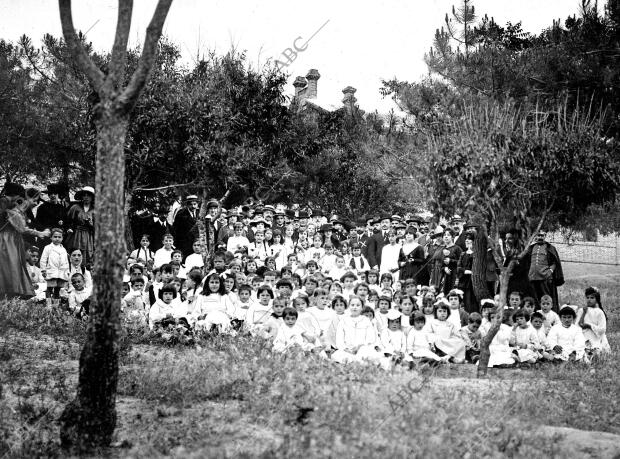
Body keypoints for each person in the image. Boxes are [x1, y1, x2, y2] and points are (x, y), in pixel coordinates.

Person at [0, 183, 51, 299]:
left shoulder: (15, 208)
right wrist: (39, 233)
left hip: (12, 240)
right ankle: (8, 294)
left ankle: (11, 296)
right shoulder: (7, 205)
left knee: (13, 266)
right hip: (6, 240)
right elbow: (21, 228)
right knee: (9, 266)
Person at [523, 230, 564, 312]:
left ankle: (549, 314)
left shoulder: (550, 248)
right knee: (534, 298)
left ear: (545, 236)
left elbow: (554, 262)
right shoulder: (531, 248)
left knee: (546, 298)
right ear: (535, 236)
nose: (540, 237)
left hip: (545, 277)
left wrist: (550, 272)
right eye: (538, 236)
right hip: (532, 277)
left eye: (542, 236)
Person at [65, 186, 95, 267]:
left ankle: (85, 271)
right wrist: (69, 228)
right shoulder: (75, 207)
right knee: (75, 251)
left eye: (88, 195)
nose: (86, 197)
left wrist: (91, 224)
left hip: (88, 236)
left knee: (87, 253)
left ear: (92, 197)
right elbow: (68, 220)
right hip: (76, 234)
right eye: (84, 195)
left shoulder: (94, 210)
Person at [576, 286, 610, 356]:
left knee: (596, 348)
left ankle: (593, 350)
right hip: (583, 334)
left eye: (592, 298)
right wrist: (584, 313)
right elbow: (578, 325)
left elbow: (602, 329)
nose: (589, 300)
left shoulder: (599, 312)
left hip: (595, 335)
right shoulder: (581, 310)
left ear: (596, 299)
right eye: (587, 297)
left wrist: (589, 326)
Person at [40, 228, 70, 305]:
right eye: (55, 236)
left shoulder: (63, 249)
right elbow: (43, 259)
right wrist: (43, 270)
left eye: (59, 237)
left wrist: (67, 272)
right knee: (49, 288)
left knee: (57, 289)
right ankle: (48, 305)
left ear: (62, 238)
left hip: (61, 273)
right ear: (51, 237)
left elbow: (66, 262)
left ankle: (55, 306)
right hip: (51, 271)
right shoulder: (48, 248)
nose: (57, 239)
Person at [456, 234, 476, 313]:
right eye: (466, 239)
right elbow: (458, 268)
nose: (467, 241)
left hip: (472, 282)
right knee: (462, 299)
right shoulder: (463, 254)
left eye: (469, 239)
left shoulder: (476, 255)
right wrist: (465, 271)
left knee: (470, 302)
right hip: (463, 281)